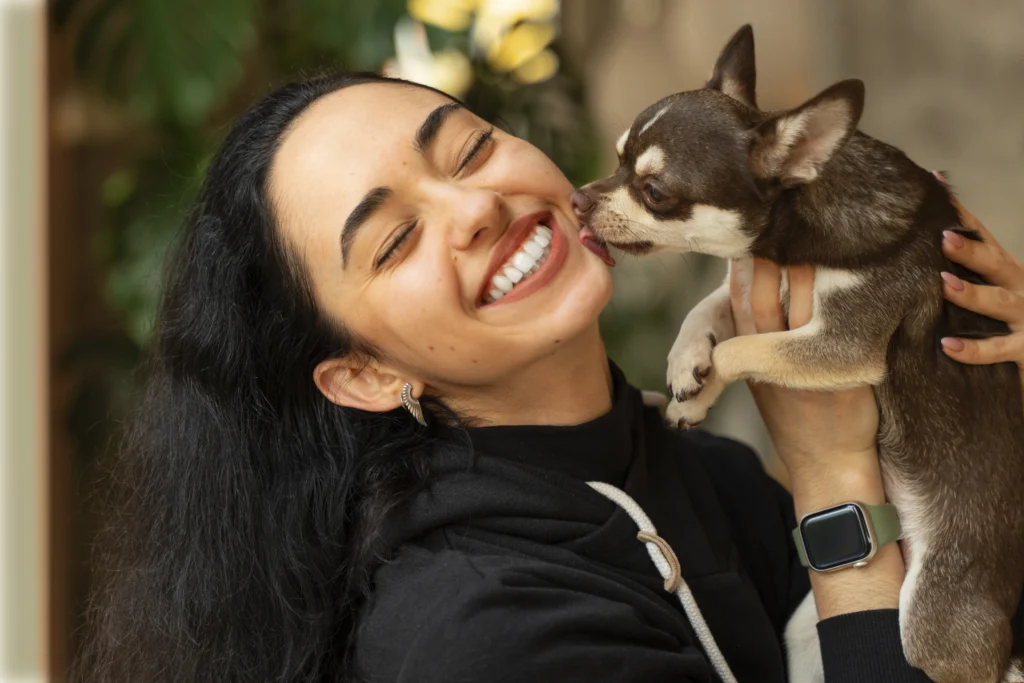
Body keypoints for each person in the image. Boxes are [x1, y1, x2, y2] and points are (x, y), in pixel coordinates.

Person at [72, 73, 1024, 683]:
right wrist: (833, 485)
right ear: (364, 373)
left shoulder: (700, 472)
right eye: (396, 240)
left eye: (470, 148)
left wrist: (987, 387)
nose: (476, 207)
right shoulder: (477, 632)